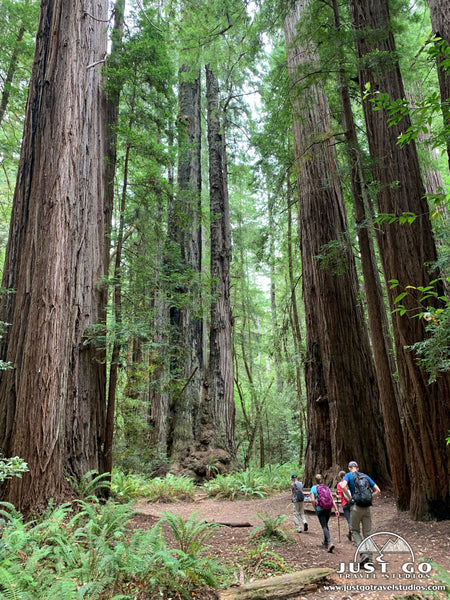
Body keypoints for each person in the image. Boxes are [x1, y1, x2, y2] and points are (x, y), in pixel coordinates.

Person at [342, 460, 381, 565]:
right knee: (367, 533)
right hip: (367, 508)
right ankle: (370, 559)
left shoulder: (348, 476)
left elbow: (342, 486)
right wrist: (369, 498)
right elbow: (378, 490)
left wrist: (350, 498)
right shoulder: (365, 476)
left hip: (356, 507)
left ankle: (363, 552)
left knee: (355, 530)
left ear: (349, 468)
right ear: (358, 468)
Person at [310, 474, 339, 553]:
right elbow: (331, 499)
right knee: (325, 524)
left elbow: (312, 500)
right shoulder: (326, 488)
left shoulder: (313, 488)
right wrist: (336, 509)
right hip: (328, 508)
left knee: (324, 526)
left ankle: (330, 542)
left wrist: (315, 508)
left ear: (314, 480)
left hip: (320, 509)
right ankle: (325, 541)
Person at [337, 470, 352, 541]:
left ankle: (351, 531)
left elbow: (340, 496)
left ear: (341, 477)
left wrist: (336, 496)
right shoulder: (349, 483)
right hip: (351, 502)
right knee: (352, 519)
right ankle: (350, 533)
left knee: (349, 520)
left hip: (344, 503)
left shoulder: (340, 484)